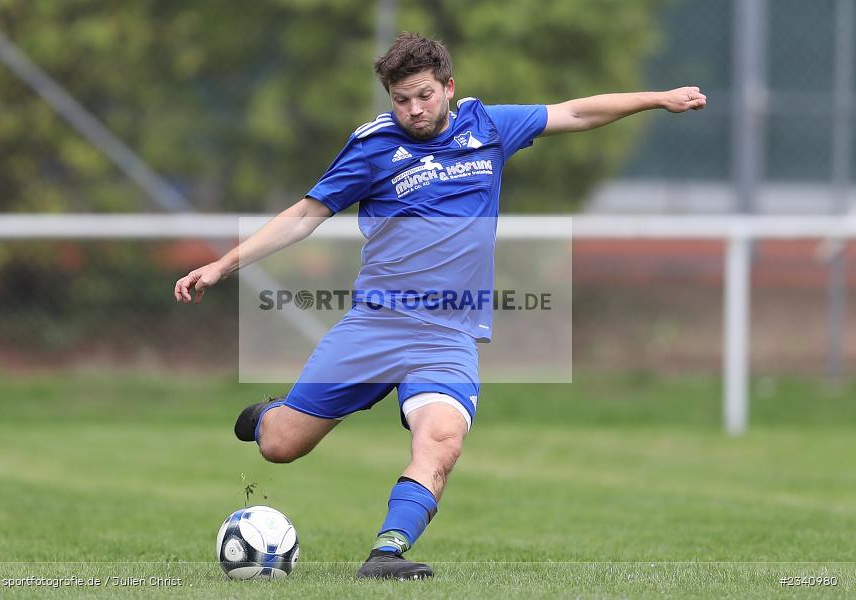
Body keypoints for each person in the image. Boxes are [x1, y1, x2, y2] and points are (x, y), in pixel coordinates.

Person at [174, 32, 706, 580]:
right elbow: (306, 214)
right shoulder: (374, 146)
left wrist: (656, 98)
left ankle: (386, 553)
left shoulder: (489, 127)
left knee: (442, 440)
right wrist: (223, 265)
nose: (414, 109)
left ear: (448, 87)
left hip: (447, 337)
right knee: (282, 448)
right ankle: (270, 416)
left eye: (424, 95)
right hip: (376, 326)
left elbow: (573, 111)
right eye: (401, 100)